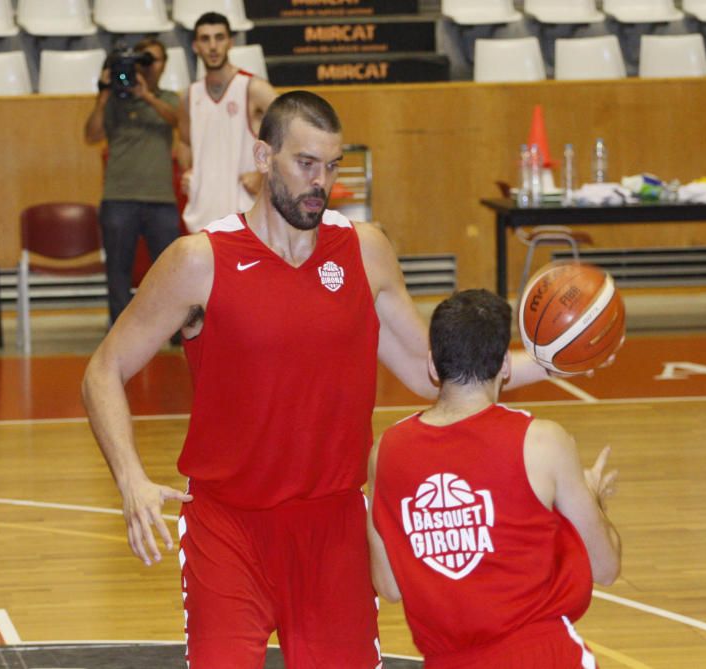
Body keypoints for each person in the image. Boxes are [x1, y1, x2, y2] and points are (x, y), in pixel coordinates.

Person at [82, 91, 555, 668]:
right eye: (306, 164)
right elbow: (104, 369)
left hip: (333, 529)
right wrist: (130, 478)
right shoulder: (199, 261)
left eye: (332, 167)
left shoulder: (365, 251)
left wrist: (550, 360)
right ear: (263, 156)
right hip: (229, 529)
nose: (320, 182)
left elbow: (433, 372)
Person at [367, 289, 622, 669]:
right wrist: (593, 499)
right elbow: (605, 567)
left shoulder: (385, 452)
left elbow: (388, 586)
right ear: (504, 364)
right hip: (541, 655)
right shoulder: (541, 440)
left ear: (433, 366)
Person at [83, 38, 182, 326]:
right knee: (117, 271)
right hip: (119, 196)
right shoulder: (114, 99)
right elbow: (91, 135)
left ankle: (174, 331)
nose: (149, 66)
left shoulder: (168, 98)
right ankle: (120, 333)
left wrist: (147, 95)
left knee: (171, 270)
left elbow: (178, 121)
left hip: (160, 198)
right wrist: (103, 94)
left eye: (154, 60)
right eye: (144, 59)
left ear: (163, 65)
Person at [179, 11, 277, 233]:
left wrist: (265, 173)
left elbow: (291, 132)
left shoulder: (253, 88)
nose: (213, 46)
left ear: (230, 42)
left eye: (219, 37)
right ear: (195, 46)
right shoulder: (189, 95)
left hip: (244, 211)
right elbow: (184, 142)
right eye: (205, 39)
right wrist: (187, 172)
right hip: (203, 213)